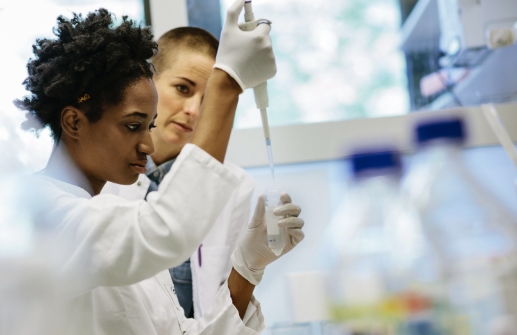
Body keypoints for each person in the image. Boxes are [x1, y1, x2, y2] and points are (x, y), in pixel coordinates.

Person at [17, 1, 304, 333]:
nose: (148, 146)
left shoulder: (112, 219)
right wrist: (226, 84)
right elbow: (163, 231)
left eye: (149, 127)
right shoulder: (37, 214)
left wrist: (248, 268)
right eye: (132, 126)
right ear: (74, 122)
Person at [101, 26, 255, 320]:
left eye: (208, 99)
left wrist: (252, 265)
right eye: (183, 88)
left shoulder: (234, 187)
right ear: (147, 81)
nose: (194, 110)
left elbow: (226, 305)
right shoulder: (102, 177)